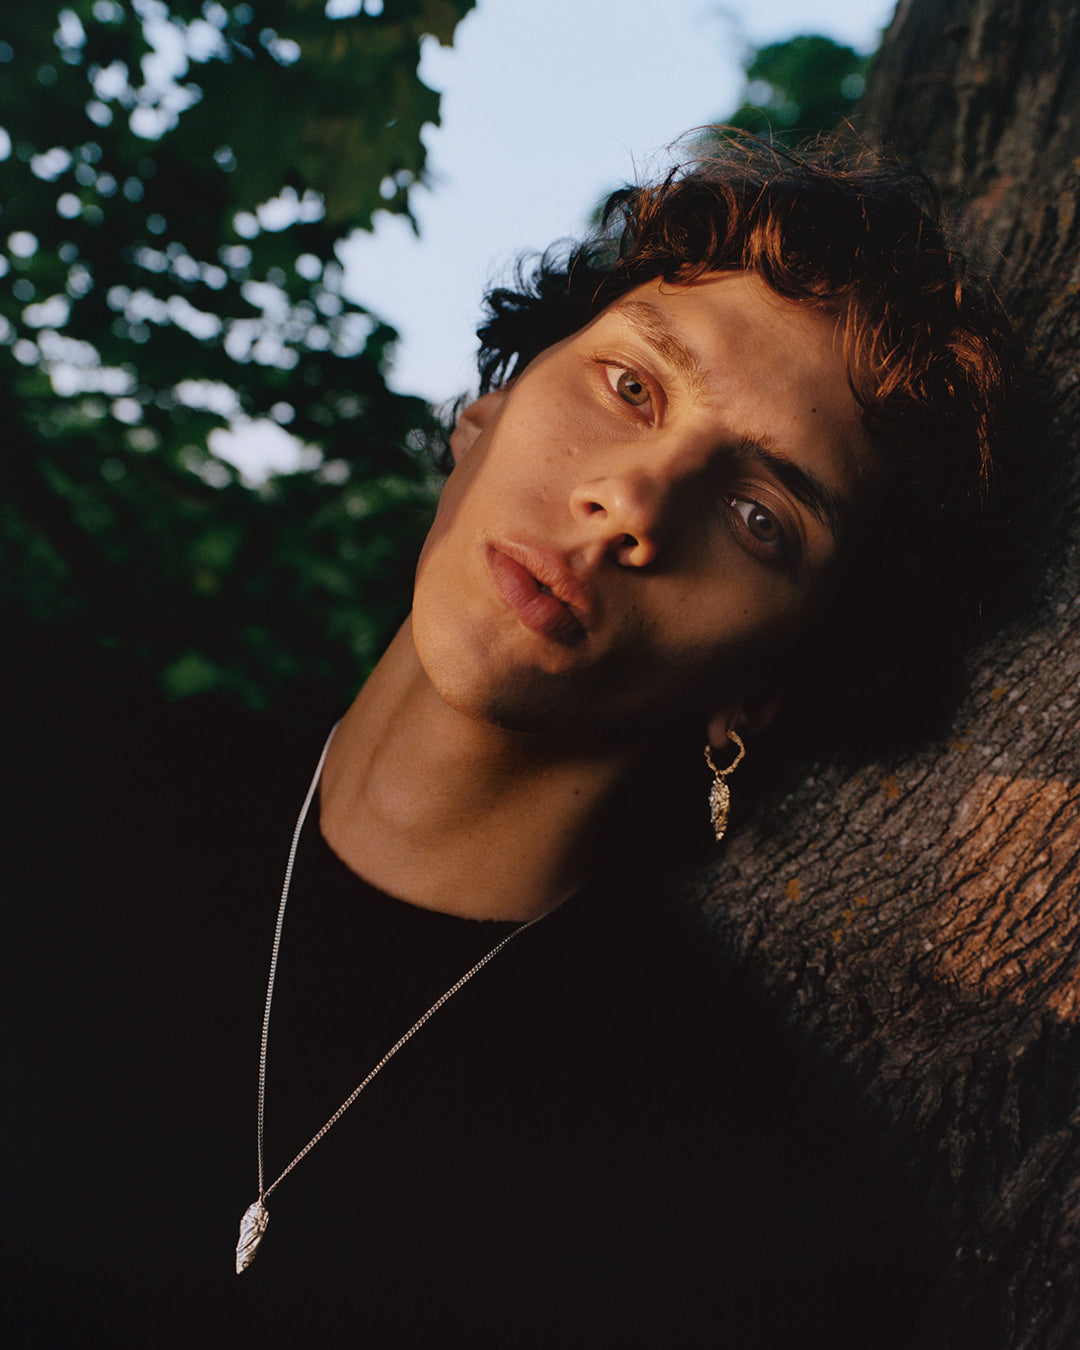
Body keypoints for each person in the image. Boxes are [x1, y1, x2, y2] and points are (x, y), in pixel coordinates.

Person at [6, 137, 1027, 1347]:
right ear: (484, 411)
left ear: (764, 689)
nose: (631, 504)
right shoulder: (47, 779)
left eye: (759, 515)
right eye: (630, 386)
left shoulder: (729, 1207)